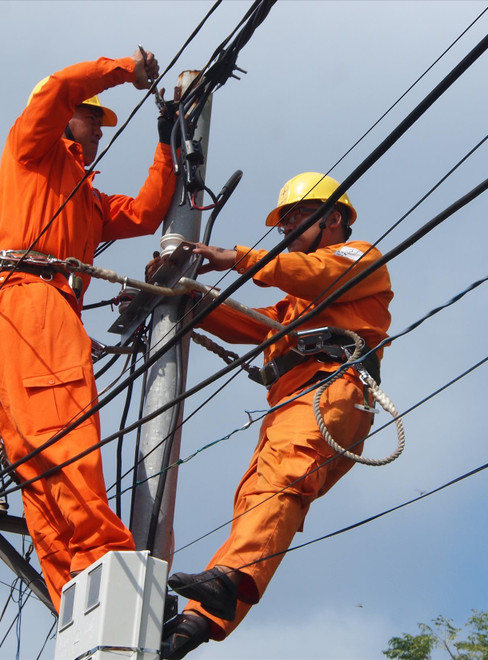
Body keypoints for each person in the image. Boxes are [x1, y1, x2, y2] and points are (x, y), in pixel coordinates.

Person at [0, 50, 177, 611]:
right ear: (66, 119)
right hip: (28, 300)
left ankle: (74, 593)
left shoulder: (86, 197)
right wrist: (124, 70)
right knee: (58, 434)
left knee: (36, 454)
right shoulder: (32, 150)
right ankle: (104, 559)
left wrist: (166, 145)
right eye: (92, 118)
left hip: (22, 310)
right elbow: (58, 87)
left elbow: (145, 214)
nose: (100, 130)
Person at [162, 172, 393, 657]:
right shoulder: (297, 302)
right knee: (260, 498)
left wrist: (236, 257)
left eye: (296, 217)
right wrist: (186, 299)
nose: (286, 228)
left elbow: (313, 272)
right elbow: (257, 323)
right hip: (294, 401)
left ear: (333, 218)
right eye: (284, 220)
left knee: (282, 481)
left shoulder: (359, 259)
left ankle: (228, 579)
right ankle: (198, 622)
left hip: (331, 389)